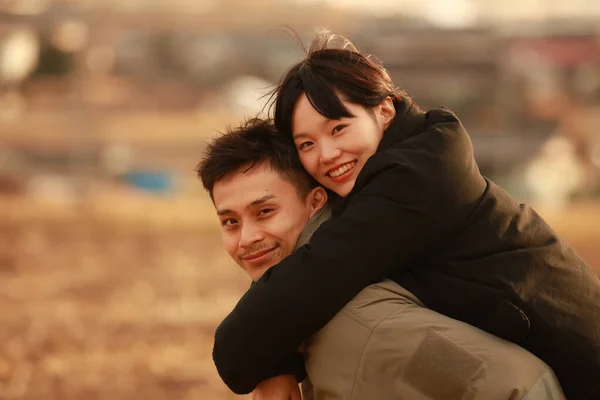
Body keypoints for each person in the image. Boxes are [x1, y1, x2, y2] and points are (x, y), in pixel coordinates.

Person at [210, 32, 600, 400]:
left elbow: (314, 275)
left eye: (339, 128)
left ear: (383, 110)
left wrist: (255, 354)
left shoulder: (418, 182)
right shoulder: (370, 175)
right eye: (307, 144)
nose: (326, 154)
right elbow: (300, 268)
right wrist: (278, 359)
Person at [197, 118, 565, 400]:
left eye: (264, 212)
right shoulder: (309, 303)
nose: (247, 239)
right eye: (230, 221)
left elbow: (521, 385)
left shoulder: (361, 325)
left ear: (316, 204)